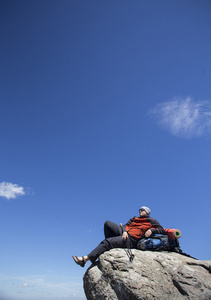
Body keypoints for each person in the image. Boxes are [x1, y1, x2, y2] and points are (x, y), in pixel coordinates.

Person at [72, 206, 165, 267]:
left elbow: (161, 229)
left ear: (147, 212)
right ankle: (110, 244)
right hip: (125, 233)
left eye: (142, 210)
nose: (140, 211)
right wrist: (124, 231)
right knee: (107, 223)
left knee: (107, 242)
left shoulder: (151, 220)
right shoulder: (134, 218)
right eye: (139, 210)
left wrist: (151, 230)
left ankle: (85, 259)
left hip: (132, 239)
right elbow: (125, 225)